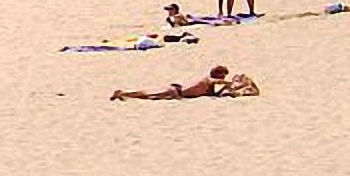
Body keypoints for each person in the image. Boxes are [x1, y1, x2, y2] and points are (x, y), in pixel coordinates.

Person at [110, 65, 259, 101]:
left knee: (148, 95)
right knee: (147, 95)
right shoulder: (209, 79)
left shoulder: (209, 86)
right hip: (175, 92)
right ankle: (124, 93)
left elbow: (216, 94)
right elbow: (222, 83)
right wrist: (234, 84)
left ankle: (125, 93)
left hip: (176, 91)